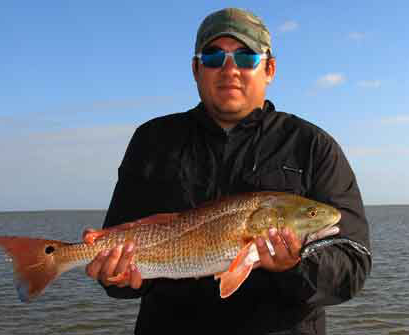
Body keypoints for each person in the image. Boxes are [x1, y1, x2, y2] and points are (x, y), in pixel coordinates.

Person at [85, 7, 371, 335]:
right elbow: (121, 262)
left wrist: (295, 266)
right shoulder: (152, 140)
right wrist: (117, 278)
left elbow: (353, 263)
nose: (230, 69)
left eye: (246, 57)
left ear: (269, 68)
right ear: (195, 69)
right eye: (213, 56)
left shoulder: (314, 145)